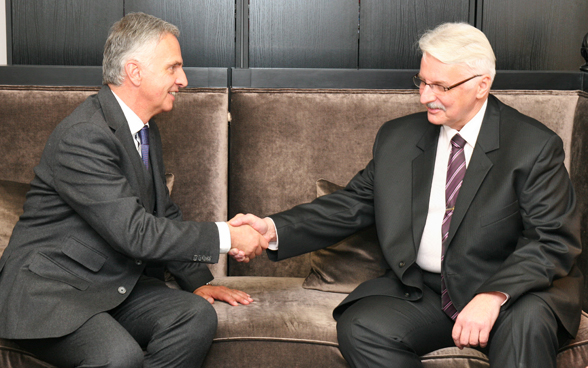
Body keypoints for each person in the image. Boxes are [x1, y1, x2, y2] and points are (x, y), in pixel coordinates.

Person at [230, 22, 583, 368]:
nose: (424, 96)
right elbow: (352, 204)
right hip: (426, 292)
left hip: (513, 294)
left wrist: (492, 296)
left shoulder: (533, 146)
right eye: (422, 81)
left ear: (482, 85)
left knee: (528, 324)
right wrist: (272, 230)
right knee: (362, 327)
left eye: (440, 86)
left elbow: (551, 240)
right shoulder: (397, 139)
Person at [0, 12, 267, 368]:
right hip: (53, 291)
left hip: (108, 283)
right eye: (173, 68)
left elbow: (162, 211)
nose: (183, 80)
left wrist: (197, 281)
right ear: (135, 72)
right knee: (118, 357)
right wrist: (228, 237)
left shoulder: (143, 129)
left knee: (194, 316)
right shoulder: (84, 135)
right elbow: (135, 233)